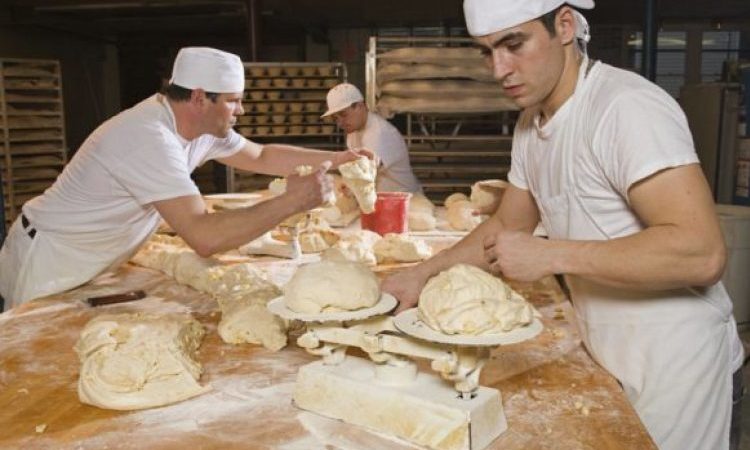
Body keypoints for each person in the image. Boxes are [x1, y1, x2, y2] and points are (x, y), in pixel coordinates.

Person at [382, 1, 744, 449]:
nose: (499, 69)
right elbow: (506, 225)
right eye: (487, 51)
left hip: (677, 365)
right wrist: (420, 275)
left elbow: (701, 252)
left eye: (514, 44)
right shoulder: (531, 124)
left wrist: (550, 253)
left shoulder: (625, 108)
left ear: (565, 26)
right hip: (610, 347)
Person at [0, 47, 370, 309]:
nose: (240, 110)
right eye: (233, 100)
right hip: (51, 259)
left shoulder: (202, 128)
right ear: (198, 97)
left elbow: (261, 155)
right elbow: (203, 236)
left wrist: (338, 158)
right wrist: (292, 201)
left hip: (90, 259)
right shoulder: (147, 137)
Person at [321, 83, 422, 193]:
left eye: (344, 114)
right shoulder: (353, 131)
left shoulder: (380, 133)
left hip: (405, 201)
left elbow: (365, 174)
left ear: (360, 106)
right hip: (380, 200)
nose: (340, 123)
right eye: (335, 118)